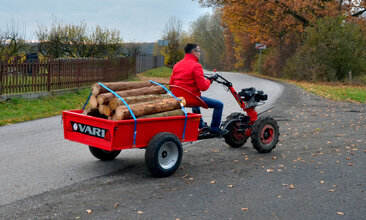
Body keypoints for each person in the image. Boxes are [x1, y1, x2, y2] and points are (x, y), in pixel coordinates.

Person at [169, 43, 228, 136]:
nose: (199, 53)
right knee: (219, 105)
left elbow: (171, 84)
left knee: (195, 101)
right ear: (193, 52)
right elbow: (203, 87)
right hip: (190, 98)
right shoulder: (196, 66)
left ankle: (201, 125)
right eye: (199, 51)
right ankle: (215, 129)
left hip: (178, 99)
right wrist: (209, 80)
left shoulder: (177, 65)